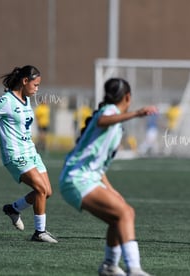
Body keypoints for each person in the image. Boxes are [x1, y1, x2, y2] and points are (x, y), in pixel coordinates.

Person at [59, 78, 156, 276]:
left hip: (87, 177)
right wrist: (137, 113)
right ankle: (134, 269)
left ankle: (110, 266)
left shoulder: (115, 121)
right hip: (77, 178)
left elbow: (98, 166)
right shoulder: (109, 111)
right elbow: (103, 120)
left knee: (119, 217)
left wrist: (111, 190)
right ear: (127, 97)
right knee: (125, 213)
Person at [0, 65, 58, 243]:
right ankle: (39, 232)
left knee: (47, 192)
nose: (37, 88)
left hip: (31, 152)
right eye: (35, 84)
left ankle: (13, 209)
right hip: (15, 155)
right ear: (25, 81)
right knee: (40, 189)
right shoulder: (6, 101)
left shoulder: (26, 100)